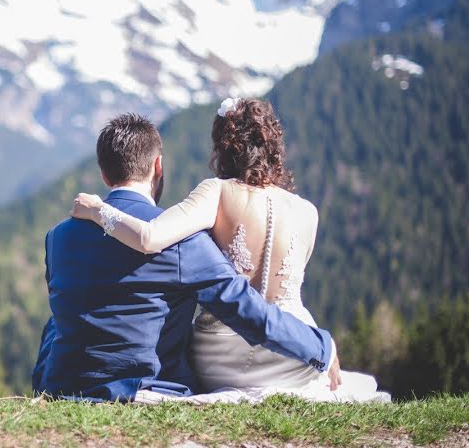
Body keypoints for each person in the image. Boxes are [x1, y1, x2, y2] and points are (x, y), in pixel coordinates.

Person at [69, 98, 386, 402]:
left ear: (223, 147)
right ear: (274, 146)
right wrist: (320, 347)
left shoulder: (215, 192)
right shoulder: (307, 211)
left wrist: (99, 211)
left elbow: (150, 237)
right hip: (294, 355)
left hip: (220, 357)